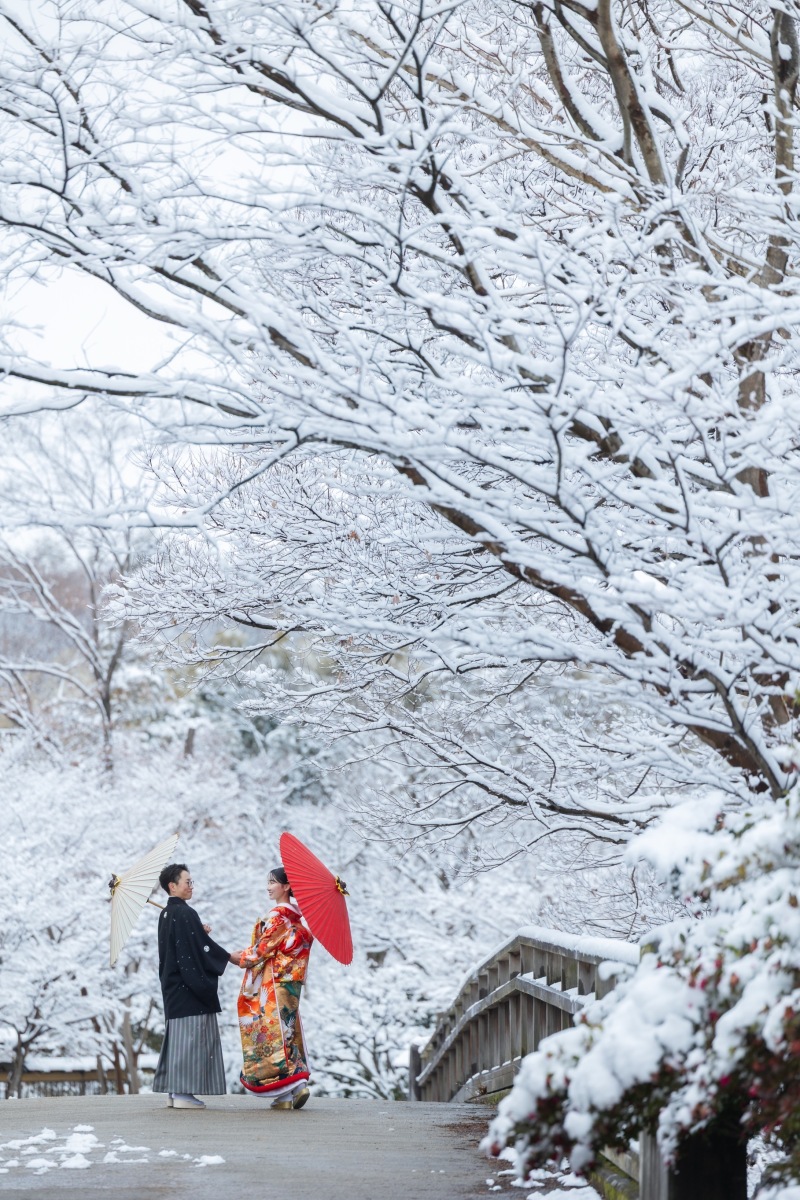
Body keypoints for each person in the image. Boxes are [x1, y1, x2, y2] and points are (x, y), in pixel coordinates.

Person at [230, 866, 313, 1110]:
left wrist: (236, 957)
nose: (268, 887)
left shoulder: (279, 916)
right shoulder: (297, 918)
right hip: (292, 981)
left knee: (273, 1033)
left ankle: (287, 1092)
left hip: (275, 981)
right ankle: (292, 1090)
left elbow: (261, 950)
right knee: (287, 1030)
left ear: (286, 886)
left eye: (273, 882)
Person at [152, 863, 230, 1110]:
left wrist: (199, 933)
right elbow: (195, 952)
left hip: (173, 986)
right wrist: (227, 956)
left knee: (179, 1042)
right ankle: (184, 1094)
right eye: (187, 882)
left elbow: (185, 945)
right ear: (172, 886)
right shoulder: (185, 913)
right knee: (191, 1041)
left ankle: (175, 1092)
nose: (191, 886)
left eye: (191, 881)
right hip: (188, 988)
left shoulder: (167, 913)